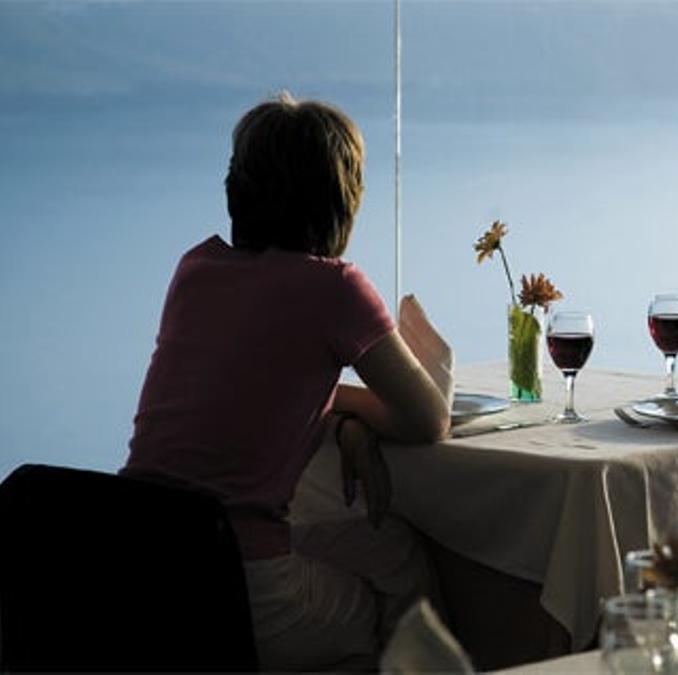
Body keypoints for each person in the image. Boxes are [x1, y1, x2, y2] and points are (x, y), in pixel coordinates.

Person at [122, 93, 451, 670]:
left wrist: (339, 410)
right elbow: (429, 418)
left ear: (236, 189)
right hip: (242, 586)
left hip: (139, 564)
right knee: (391, 583)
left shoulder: (195, 269)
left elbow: (255, 389)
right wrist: (354, 409)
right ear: (341, 201)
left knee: (385, 548)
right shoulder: (334, 288)